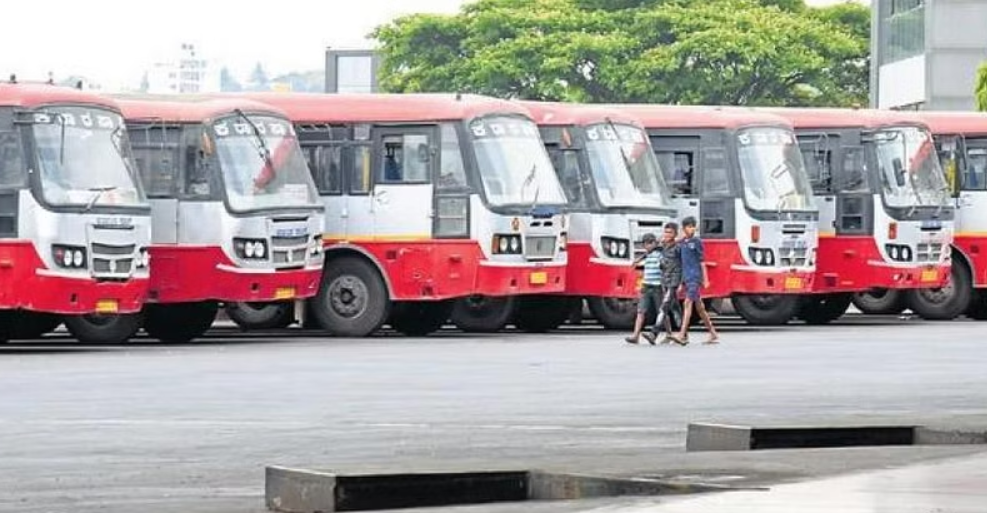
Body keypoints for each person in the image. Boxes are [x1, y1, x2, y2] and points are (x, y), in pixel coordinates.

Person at [672, 216, 719, 345]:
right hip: (686, 277)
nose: (691, 229)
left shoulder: (697, 242)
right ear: (684, 228)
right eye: (688, 227)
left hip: (695, 277)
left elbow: (702, 261)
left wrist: (705, 279)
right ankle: (713, 333)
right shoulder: (682, 244)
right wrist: (681, 282)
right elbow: (681, 262)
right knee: (700, 309)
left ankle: (682, 334)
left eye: (693, 226)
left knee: (687, 304)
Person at [649, 222, 685, 345]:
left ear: (675, 234)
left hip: (674, 280)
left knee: (664, 307)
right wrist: (659, 241)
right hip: (665, 279)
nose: (667, 235)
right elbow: (651, 249)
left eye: (670, 232)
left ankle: (654, 333)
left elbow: (682, 265)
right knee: (675, 308)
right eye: (665, 232)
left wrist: (681, 282)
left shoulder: (678, 248)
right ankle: (683, 333)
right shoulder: (663, 246)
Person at [625, 233, 661, 345]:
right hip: (646, 285)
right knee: (641, 311)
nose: (648, 246)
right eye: (646, 243)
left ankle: (669, 333)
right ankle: (635, 335)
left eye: (650, 243)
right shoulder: (647, 255)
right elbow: (642, 261)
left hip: (657, 286)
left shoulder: (660, 254)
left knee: (661, 312)